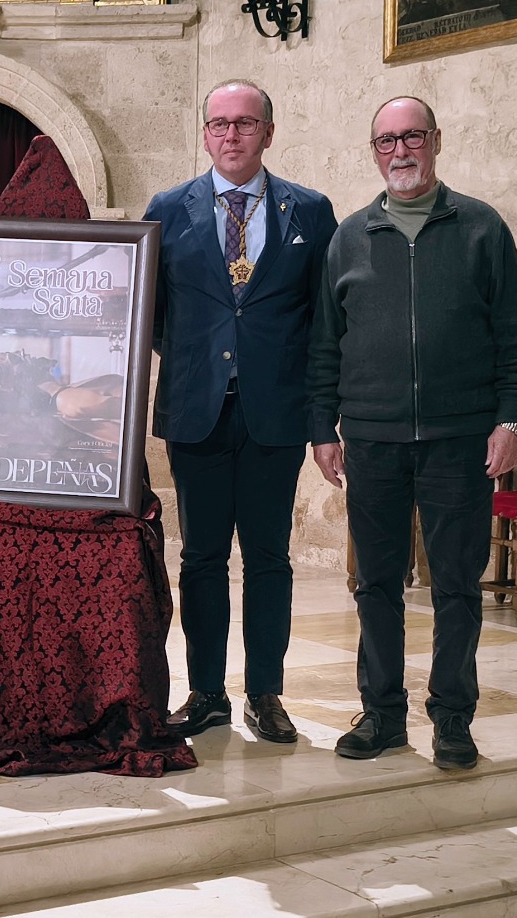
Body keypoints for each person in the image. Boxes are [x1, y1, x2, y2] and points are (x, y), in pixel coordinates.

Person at [309, 96, 517, 771]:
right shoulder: (350, 237)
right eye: (387, 141)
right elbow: (324, 345)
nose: (400, 151)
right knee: (375, 584)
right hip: (373, 440)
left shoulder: (481, 228)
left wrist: (511, 419)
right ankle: (382, 714)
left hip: (459, 440)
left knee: (457, 586)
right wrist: (322, 426)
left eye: (412, 137)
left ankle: (453, 718)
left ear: (435, 141)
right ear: (374, 151)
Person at [144, 82, 337, 743]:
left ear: (269, 133)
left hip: (274, 413)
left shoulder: (310, 210)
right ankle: (205, 693)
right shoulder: (168, 209)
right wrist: (204, 359)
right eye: (220, 124)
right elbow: (153, 315)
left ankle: (265, 693)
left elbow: (322, 321)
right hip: (196, 410)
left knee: (269, 558)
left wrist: (320, 416)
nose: (232, 135)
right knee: (200, 558)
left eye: (246, 123)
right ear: (205, 134)